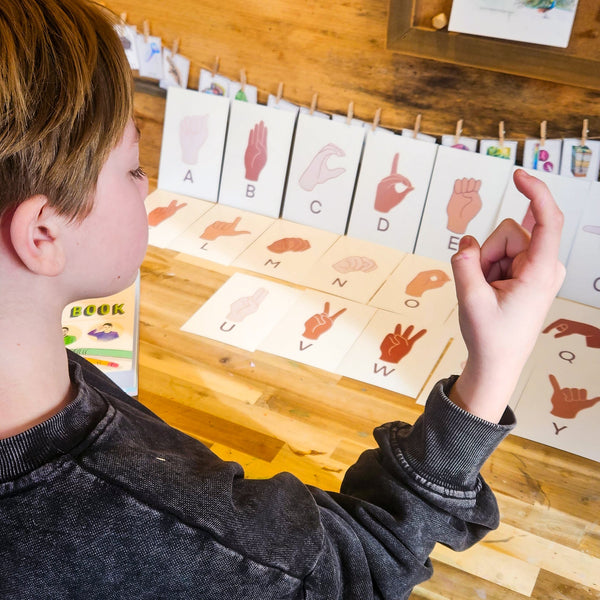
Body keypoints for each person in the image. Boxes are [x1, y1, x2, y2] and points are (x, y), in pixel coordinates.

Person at [0, 1, 565, 598]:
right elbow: (367, 564)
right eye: (135, 169)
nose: (150, 185)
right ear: (43, 234)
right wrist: (493, 370)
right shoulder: (156, 523)